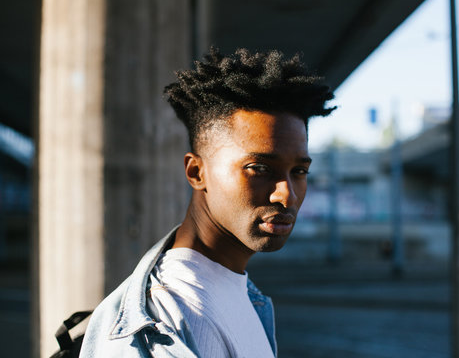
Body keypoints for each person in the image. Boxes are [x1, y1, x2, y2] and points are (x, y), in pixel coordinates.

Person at [80, 47, 335, 357]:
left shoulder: (237, 291)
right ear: (196, 172)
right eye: (259, 169)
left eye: (299, 171)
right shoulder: (170, 317)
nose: (287, 194)